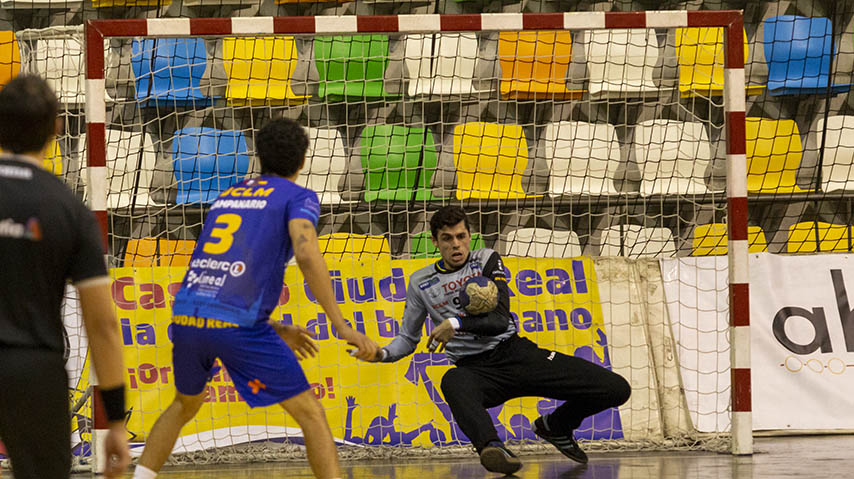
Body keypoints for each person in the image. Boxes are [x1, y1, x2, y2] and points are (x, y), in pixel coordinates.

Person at [132, 118, 379, 479]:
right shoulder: (298, 196)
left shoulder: (228, 195)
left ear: (258, 157)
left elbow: (225, 273)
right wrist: (341, 325)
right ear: (303, 161)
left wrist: (275, 327)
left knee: (185, 404)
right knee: (310, 413)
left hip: (187, 314)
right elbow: (307, 253)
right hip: (238, 324)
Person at [363, 205, 631, 474]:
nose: (456, 245)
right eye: (447, 238)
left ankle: (557, 425)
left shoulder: (486, 260)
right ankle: (493, 448)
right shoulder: (421, 282)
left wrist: (455, 324)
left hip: (517, 355)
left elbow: (500, 321)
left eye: (461, 236)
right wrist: (381, 354)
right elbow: (407, 339)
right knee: (452, 381)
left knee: (616, 388)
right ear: (435, 241)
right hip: (476, 371)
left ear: (470, 235)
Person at [0, 75, 130, 478]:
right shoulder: (69, 208)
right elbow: (103, 324)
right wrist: (115, 423)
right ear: (57, 128)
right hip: (33, 371)